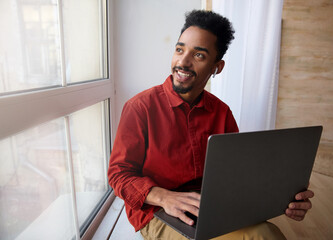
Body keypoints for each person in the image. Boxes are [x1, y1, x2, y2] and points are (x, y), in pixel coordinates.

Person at [108, 10, 314, 240]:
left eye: (198, 55)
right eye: (179, 49)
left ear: (217, 67)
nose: (183, 62)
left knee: (268, 234)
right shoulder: (140, 107)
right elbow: (118, 175)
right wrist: (165, 197)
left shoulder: (222, 112)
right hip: (158, 211)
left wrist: (284, 199)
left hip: (211, 206)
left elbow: (236, 174)